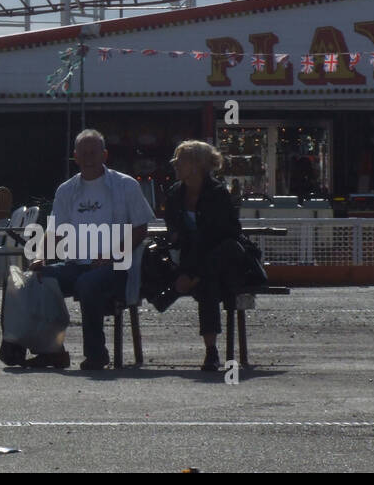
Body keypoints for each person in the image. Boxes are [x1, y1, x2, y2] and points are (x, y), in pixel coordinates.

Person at [33, 129, 157, 371]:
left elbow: (140, 229)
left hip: (117, 268)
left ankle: (96, 354)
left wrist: (113, 254)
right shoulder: (66, 190)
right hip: (75, 264)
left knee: (88, 283)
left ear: (105, 154)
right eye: (83, 152)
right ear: (75, 157)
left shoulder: (126, 185)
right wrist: (40, 257)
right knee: (36, 280)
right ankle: (49, 350)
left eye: (94, 151)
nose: (89, 156)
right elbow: (54, 232)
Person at [162, 140, 243, 372]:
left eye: (181, 160)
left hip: (221, 258)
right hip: (191, 259)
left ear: (196, 165)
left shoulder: (218, 194)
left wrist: (192, 272)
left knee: (212, 271)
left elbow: (216, 236)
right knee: (206, 282)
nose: (175, 164)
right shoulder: (175, 194)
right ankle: (211, 350)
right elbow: (174, 230)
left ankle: (211, 350)